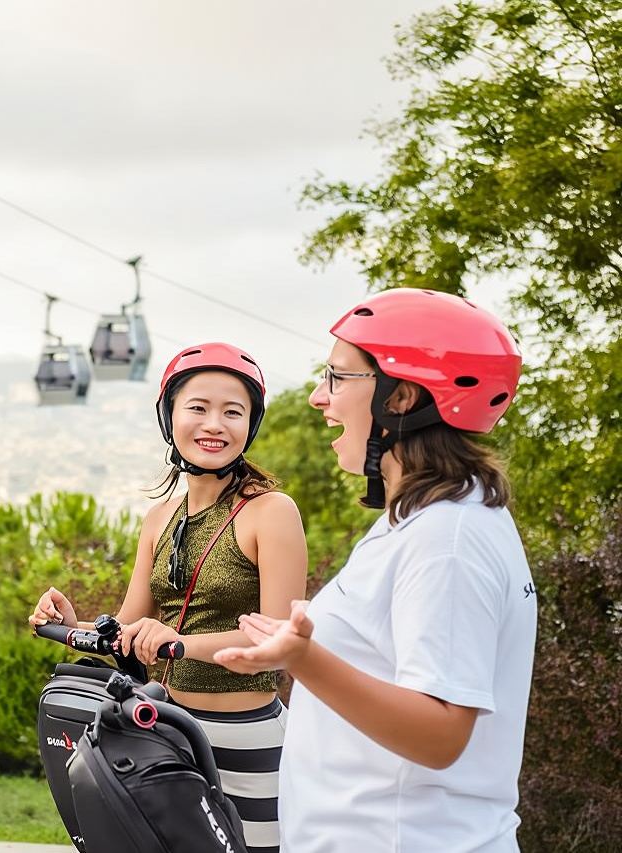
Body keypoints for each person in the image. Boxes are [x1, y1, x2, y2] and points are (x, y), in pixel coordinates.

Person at [214, 288, 535, 852]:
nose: (319, 397)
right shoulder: (417, 521)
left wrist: (304, 660)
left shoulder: (448, 538)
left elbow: (440, 735)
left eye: (338, 377)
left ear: (403, 397)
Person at [30, 343, 307, 853]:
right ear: (170, 416)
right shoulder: (160, 519)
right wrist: (77, 623)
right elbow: (130, 631)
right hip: (169, 731)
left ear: (251, 424)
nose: (215, 424)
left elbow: (280, 639)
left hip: (248, 737)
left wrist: (177, 642)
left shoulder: (270, 512)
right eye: (198, 408)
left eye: (233, 412)